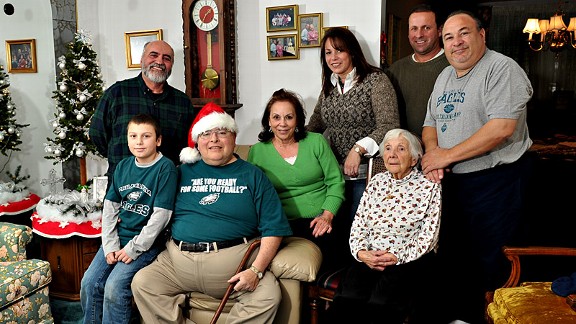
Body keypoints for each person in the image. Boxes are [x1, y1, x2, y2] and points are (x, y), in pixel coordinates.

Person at [131, 102, 293, 323]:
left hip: (231, 267)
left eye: (222, 132)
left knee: (268, 296)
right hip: (178, 264)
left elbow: (273, 228)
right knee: (143, 283)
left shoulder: (253, 176)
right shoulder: (178, 172)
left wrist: (255, 271)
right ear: (198, 141)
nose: (214, 139)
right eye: (206, 133)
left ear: (234, 138)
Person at [421, 10, 534, 323]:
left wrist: (446, 156)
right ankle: (461, 317)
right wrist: (433, 155)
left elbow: (502, 128)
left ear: (482, 35)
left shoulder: (501, 68)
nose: (456, 43)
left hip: (498, 182)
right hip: (456, 184)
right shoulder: (444, 76)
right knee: (455, 259)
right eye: (449, 37)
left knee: (492, 262)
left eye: (464, 33)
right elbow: (430, 124)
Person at [328, 128, 441, 324]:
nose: (392, 155)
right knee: (346, 300)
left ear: (414, 159)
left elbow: (429, 236)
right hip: (370, 256)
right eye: (388, 148)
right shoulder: (377, 182)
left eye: (401, 149)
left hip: (407, 259)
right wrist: (361, 253)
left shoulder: (428, 185)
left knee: (380, 304)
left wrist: (399, 257)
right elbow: (359, 224)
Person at [80, 114, 178, 324]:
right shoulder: (123, 166)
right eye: (133, 136)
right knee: (89, 283)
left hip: (147, 243)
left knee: (114, 287)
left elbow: (161, 217)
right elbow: (109, 209)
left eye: (146, 136)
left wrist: (133, 248)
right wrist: (110, 245)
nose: (139, 142)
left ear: (158, 140)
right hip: (118, 239)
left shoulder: (165, 168)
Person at [307, 27, 400, 222]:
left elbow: (389, 125)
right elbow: (315, 124)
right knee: (335, 234)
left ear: (352, 51)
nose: (333, 58)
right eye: (328, 52)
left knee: (359, 233)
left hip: (368, 177)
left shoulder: (376, 80)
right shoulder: (328, 87)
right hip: (335, 178)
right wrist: (285, 138)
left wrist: (357, 149)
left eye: (339, 50)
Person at [248, 88, 345, 270]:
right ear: (268, 121)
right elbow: (254, 194)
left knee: (333, 257)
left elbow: (335, 182)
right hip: (281, 225)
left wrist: (327, 216)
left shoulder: (316, 142)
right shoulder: (257, 152)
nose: (282, 124)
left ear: (298, 119)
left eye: (289, 117)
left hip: (320, 219)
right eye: (276, 117)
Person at [89, 40, 195, 188]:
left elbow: (187, 144)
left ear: (171, 65)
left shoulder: (182, 102)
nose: (159, 61)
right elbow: (97, 134)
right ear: (142, 60)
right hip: (122, 184)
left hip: (165, 186)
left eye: (166, 58)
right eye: (154, 55)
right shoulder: (117, 93)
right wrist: (122, 159)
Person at [386, 4, 449, 137]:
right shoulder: (395, 70)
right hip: (405, 151)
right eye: (414, 29)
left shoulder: (453, 65)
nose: (419, 35)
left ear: (439, 31)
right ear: (408, 34)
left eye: (426, 28)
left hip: (443, 150)